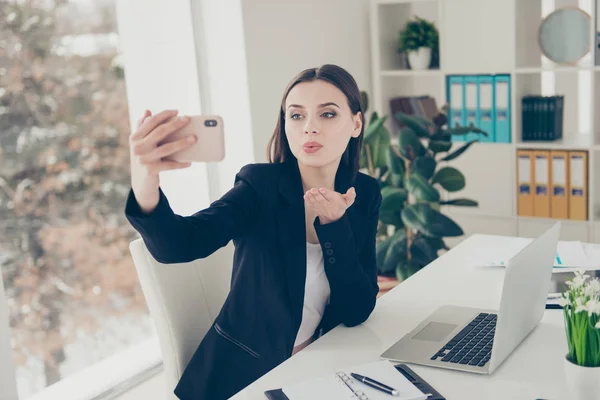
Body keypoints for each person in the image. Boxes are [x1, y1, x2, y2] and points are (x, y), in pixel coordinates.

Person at [124, 64, 382, 400]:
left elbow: (357, 309)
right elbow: (178, 245)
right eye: (296, 115)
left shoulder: (363, 194)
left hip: (320, 368)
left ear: (356, 124)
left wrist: (335, 225)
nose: (310, 128)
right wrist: (145, 180)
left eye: (328, 114)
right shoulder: (259, 188)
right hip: (244, 379)